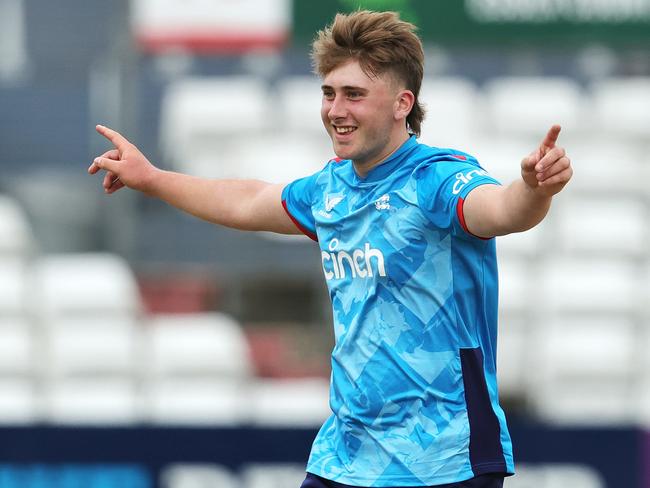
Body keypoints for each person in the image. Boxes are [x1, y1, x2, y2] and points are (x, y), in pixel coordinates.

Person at [88, 10, 572, 488]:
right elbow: (247, 201)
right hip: (346, 455)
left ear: (403, 103)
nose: (336, 110)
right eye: (329, 93)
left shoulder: (437, 178)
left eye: (354, 95)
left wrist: (534, 189)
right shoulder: (331, 189)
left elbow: (503, 210)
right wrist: (153, 179)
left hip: (444, 460)